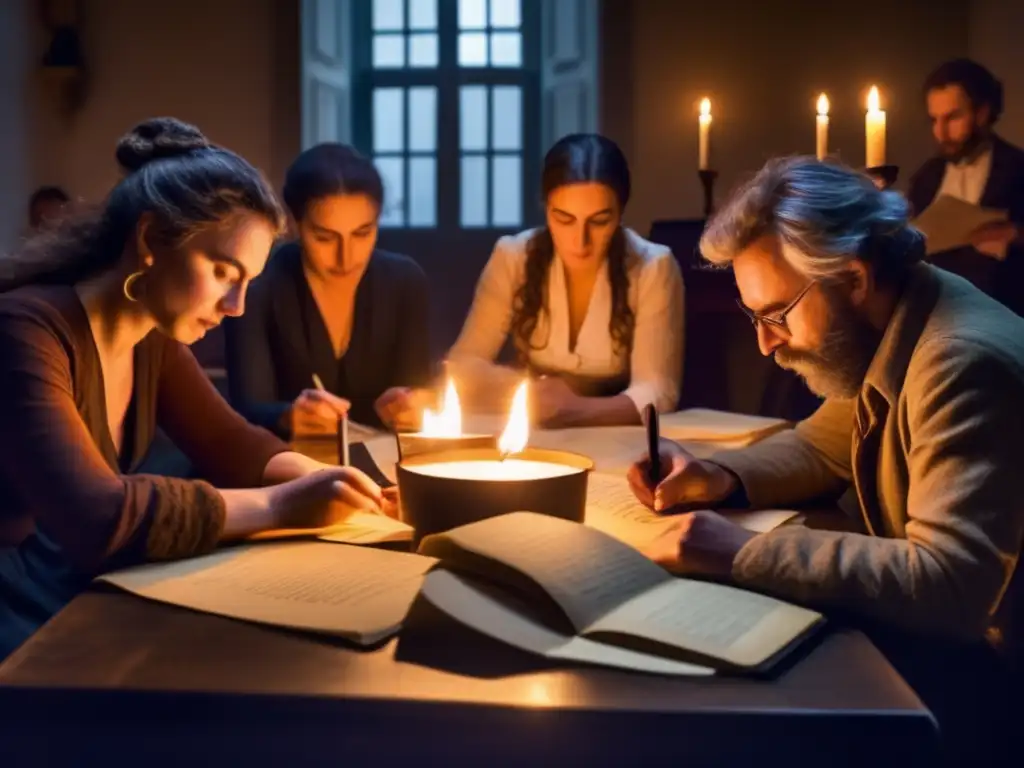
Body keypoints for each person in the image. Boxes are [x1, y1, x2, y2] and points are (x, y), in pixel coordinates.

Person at [628, 156, 1024, 764]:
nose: (764, 342)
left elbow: (951, 584)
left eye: (777, 313)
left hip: (994, 698)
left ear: (855, 278)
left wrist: (743, 553)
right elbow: (819, 443)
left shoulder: (956, 363)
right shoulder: (904, 318)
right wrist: (717, 476)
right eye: (753, 316)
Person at [0, 118, 388, 660]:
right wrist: (280, 505)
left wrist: (325, 479)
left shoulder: (148, 336)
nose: (238, 307)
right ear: (151, 239)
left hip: (67, 580)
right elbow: (97, 516)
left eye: (248, 281)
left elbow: (231, 443)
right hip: (17, 602)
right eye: (224, 271)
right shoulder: (25, 331)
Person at [447, 133, 684, 427]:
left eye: (599, 221)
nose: (580, 241)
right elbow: (464, 363)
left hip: (617, 434)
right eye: (564, 218)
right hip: (532, 427)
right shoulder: (514, 256)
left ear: (621, 212)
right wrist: (523, 389)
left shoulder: (652, 267)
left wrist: (573, 410)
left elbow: (658, 391)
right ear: (546, 208)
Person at [223, 143, 432, 436]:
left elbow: (417, 389)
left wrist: (416, 406)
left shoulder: (404, 281)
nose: (346, 258)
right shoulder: (259, 283)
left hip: (382, 461)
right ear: (295, 224)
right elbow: (245, 408)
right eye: (324, 237)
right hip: (282, 463)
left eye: (362, 233)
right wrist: (286, 417)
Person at [907, 58, 1024, 316]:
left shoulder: (1018, 170)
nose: (941, 132)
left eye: (952, 118)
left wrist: (1016, 236)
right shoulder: (925, 178)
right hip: (938, 319)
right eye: (934, 120)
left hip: (1006, 320)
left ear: (982, 113)